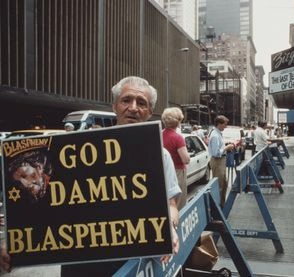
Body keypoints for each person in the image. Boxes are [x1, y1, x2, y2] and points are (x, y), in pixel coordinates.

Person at [0, 76, 182, 275]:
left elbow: (171, 204)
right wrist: (15, 243)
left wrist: (170, 228)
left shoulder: (160, 154)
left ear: (149, 113)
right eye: (126, 100)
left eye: (141, 103)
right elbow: (49, 203)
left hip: (133, 259)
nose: (133, 107)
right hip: (82, 261)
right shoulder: (77, 150)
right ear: (114, 106)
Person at [162, 107, 190, 210]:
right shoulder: (178, 138)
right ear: (178, 121)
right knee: (179, 203)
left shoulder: (159, 134)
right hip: (177, 172)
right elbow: (185, 160)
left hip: (163, 171)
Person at [208, 115, 234, 208]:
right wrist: (227, 147)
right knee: (219, 185)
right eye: (225, 124)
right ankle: (217, 207)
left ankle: (222, 205)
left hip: (221, 161)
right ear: (219, 124)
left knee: (224, 183)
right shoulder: (215, 135)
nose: (226, 126)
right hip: (218, 161)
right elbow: (216, 153)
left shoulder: (218, 133)